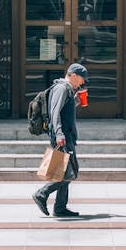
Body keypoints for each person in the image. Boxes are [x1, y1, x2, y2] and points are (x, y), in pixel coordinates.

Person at [32, 63, 88, 219]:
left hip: (66, 135)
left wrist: (76, 100)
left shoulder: (67, 90)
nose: (82, 82)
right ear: (73, 75)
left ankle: (60, 207)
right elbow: (55, 113)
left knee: (65, 170)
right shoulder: (62, 88)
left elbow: (63, 110)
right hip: (63, 136)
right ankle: (41, 194)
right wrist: (59, 134)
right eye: (82, 79)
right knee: (70, 173)